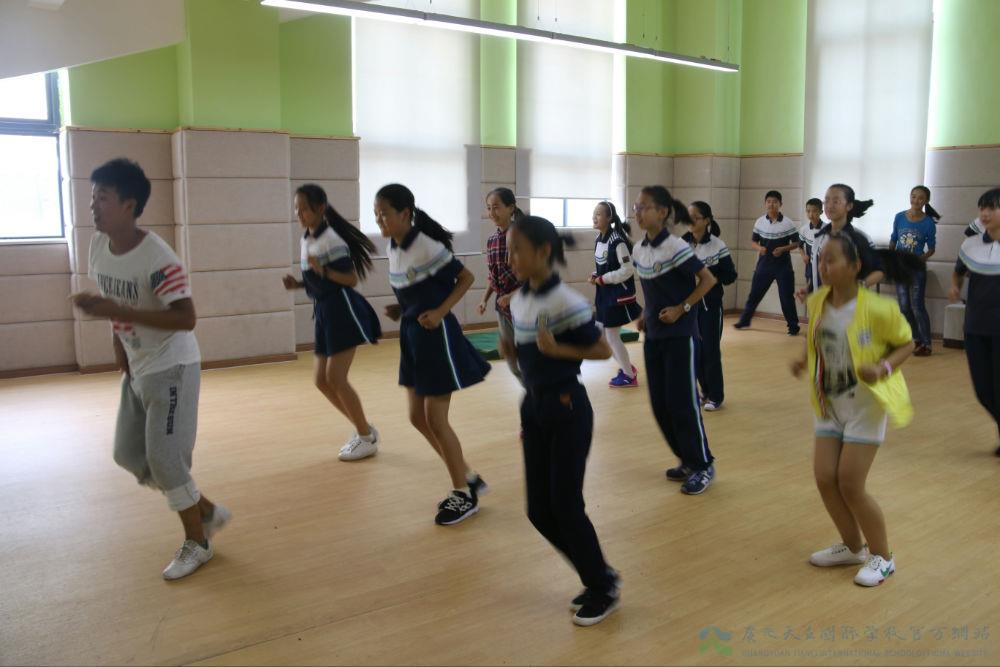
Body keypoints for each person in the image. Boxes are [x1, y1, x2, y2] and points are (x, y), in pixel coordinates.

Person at [72, 158, 229, 580]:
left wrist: (119, 312)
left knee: (165, 460)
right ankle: (206, 510)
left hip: (172, 366)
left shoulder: (158, 258)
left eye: (103, 198)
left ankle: (198, 542)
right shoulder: (98, 246)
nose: (93, 206)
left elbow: (186, 317)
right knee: (128, 454)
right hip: (138, 364)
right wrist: (117, 341)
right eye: (92, 197)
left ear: (129, 204)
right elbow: (113, 301)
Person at [501, 215, 620, 627]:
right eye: (509, 250)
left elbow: (602, 351)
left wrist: (559, 351)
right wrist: (512, 356)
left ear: (543, 251)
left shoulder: (566, 302)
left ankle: (601, 585)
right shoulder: (518, 300)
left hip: (568, 408)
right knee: (538, 510)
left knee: (566, 505)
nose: (510, 258)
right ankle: (598, 574)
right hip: (534, 408)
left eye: (517, 250)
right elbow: (529, 365)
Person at [791, 232, 921, 587]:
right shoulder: (818, 300)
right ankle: (852, 548)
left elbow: (907, 344)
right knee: (824, 478)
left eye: (831, 260)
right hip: (828, 404)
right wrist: (803, 360)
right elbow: (815, 336)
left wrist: (883, 368)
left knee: (850, 483)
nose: (823, 266)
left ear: (855, 266)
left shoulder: (879, 309)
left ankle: (884, 557)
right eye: (821, 260)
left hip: (865, 407)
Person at [375, 183, 490, 525]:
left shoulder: (426, 245)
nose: (379, 220)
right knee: (417, 417)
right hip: (412, 337)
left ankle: (464, 495)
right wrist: (403, 308)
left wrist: (440, 311)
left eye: (384, 214)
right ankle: (467, 476)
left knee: (436, 420)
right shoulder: (393, 247)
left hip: (436, 338)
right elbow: (419, 287)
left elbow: (466, 278)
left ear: (405, 213)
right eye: (376, 215)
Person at [282, 184, 383, 461]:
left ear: (320, 208)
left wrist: (323, 270)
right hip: (324, 311)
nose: (299, 213)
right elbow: (318, 278)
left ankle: (366, 438)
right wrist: (299, 284)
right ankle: (364, 429)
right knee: (321, 380)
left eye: (304, 208)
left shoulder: (332, 240)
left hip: (342, 311)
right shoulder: (307, 238)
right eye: (296, 208)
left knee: (336, 378)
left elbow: (350, 279)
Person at [630, 186, 718, 495]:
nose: (638, 213)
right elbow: (653, 290)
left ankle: (703, 465)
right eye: (636, 207)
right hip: (654, 336)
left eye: (644, 207)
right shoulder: (638, 250)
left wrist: (683, 308)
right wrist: (646, 313)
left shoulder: (676, 247)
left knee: (683, 404)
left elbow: (708, 280)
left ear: (663, 212)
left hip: (680, 337)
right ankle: (686, 459)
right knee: (660, 405)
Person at [949, 187, 1000, 457]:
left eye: (992, 208)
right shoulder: (971, 245)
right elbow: (958, 271)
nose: (985, 213)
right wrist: (955, 287)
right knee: (983, 391)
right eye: (982, 208)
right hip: (975, 327)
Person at [684, 201, 737, 411]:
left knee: (710, 352)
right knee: (695, 352)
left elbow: (730, 275)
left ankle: (716, 396)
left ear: (706, 220)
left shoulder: (717, 245)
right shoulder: (681, 244)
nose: (690, 221)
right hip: (689, 307)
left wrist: (709, 278)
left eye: (695, 217)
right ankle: (704, 391)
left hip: (711, 307)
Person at [589, 201, 642, 388]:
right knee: (602, 336)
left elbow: (627, 270)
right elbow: (605, 267)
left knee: (611, 337)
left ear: (609, 218)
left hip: (617, 297)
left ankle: (629, 376)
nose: (594, 217)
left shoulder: (618, 242)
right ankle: (628, 368)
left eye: (598, 214)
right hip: (604, 295)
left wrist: (603, 279)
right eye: (594, 213)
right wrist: (596, 275)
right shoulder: (598, 239)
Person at [734, 190, 801, 335]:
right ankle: (744, 320)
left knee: (786, 298)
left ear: (780, 204)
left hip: (783, 266)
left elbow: (797, 243)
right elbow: (753, 242)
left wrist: (783, 249)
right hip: (764, 265)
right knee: (754, 294)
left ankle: (793, 327)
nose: (771, 204)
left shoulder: (788, 223)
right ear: (765, 204)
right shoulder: (760, 222)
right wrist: (760, 248)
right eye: (769, 201)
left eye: (775, 202)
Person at [477, 187, 524, 382]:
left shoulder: (522, 236)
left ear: (511, 208)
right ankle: (532, 392)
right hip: (502, 306)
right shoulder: (492, 241)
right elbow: (493, 276)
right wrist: (484, 299)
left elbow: (535, 278)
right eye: (489, 208)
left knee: (529, 356)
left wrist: (512, 296)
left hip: (525, 303)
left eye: (496, 207)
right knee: (511, 359)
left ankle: (540, 393)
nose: (492, 212)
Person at [889, 186, 939, 356]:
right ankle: (916, 339)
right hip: (900, 268)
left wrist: (919, 260)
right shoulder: (899, 217)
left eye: (920, 198)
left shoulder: (928, 223)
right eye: (913, 196)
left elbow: (931, 249)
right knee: (904, 306)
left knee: (917, 306)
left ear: (926, 201)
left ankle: (927, 343)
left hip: (916, 269)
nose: (916, 200)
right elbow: (893, 239)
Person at [799, 198, 825, 294]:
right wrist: (803, 256)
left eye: (814, 211)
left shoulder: (827, 229)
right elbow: (800, 246)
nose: (811, 214)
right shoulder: (804, 229)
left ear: (821, 212)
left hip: (824, 269)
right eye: (808, 211)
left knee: (823, 295)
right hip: (810, 268)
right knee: (810, 293)